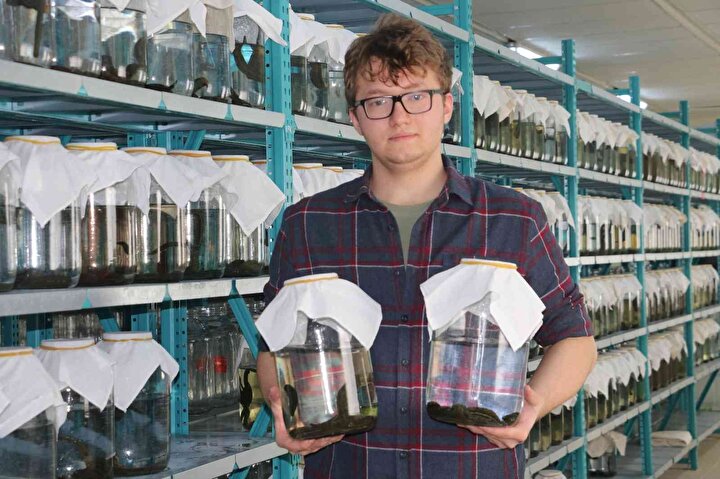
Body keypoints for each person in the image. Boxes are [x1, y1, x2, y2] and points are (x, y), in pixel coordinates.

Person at [257, 13, 597, 479]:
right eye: (378, 101)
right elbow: (273, 346)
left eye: (416, 96)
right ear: (355, 118)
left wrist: (535, 405)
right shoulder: (307, 224)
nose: (399, 116)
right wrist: (283, 404)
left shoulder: (513, 219)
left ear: (446, 106)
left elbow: (574, 337)